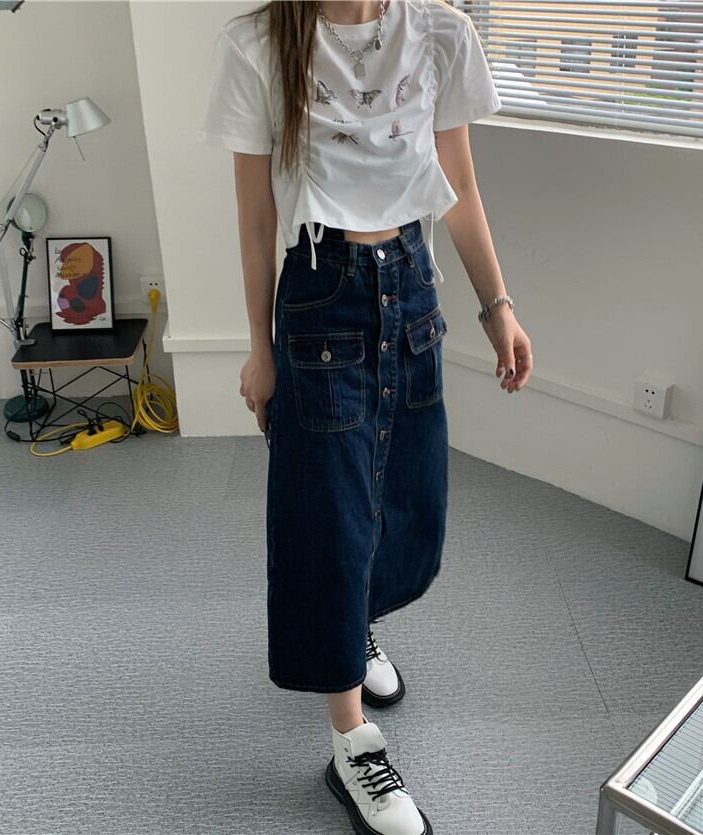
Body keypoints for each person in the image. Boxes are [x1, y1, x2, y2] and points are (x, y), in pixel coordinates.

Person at [199, 2, 533, 832]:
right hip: (321, 292)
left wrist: (497, 305)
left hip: (411, 285)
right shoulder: (257, 43)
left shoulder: (442, 33)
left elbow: (458, 185)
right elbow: (255, 217)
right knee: (330, 519)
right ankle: (352, 743)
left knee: (404, 495)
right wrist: (259, 348)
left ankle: (357, 628)